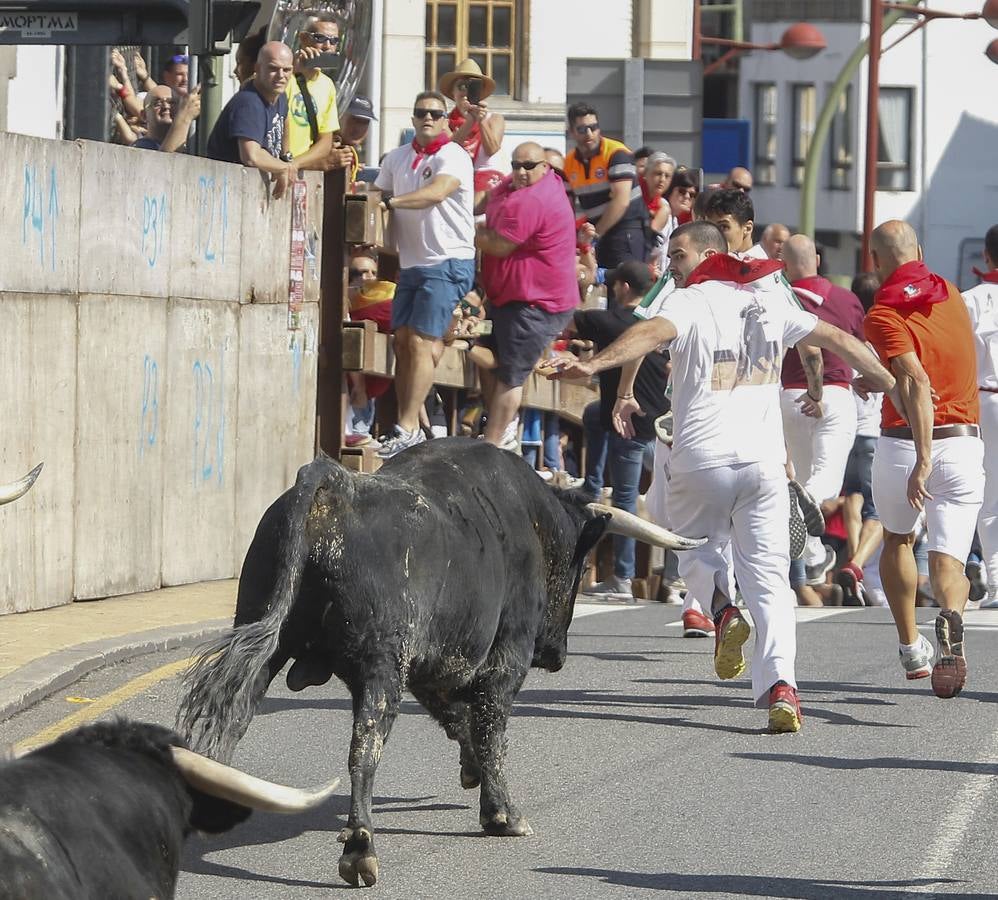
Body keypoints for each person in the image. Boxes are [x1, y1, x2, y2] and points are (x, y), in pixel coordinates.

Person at [548, 221, 896, 732]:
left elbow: (647, 333)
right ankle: (782, 686)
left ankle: (721, 606)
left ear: (711, 254)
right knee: (772, 581)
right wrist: (885, 381)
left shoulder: (691, 300)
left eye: (679, 255)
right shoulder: (769, 301)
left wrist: (594, 364)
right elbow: (839, 337)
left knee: (688, 544)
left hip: (701, 458)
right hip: (762, 466)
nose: (672, 266)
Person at [864, 220, 984, 698]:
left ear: (875, 261)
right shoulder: (952, 294)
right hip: (964, 442)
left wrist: (923, 457)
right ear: (921, 250)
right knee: (949, 561)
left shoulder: (881, 313)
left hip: (905, 444)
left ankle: (911, 644)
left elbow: (913, 378)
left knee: (897, 537)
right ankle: (951, 619)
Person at [373, 90, 475, 457]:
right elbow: (376, 193)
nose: (428, 118)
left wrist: (392, 202)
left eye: (435, 113)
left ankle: (408, 426)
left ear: (447, 120)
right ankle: (409, 426)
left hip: (448, 260)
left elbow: (437, 192)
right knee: (403, 341)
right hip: (413, 263)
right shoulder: (398, 157)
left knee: (419, 343)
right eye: (421, 113)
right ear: (413, 118)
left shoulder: (455, 156)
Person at [571, 260, 669, 600]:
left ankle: (623, 578)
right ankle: (676, 580)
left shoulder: (606, 320)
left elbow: (567, 319)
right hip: (663, 424)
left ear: (623, 288)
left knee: (625, 502)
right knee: (674, 503)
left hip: (631, 425)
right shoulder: (658, 325)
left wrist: (582, 282)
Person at [475, 142, 578, 450]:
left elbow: (499, 245)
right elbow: (487, 199)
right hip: (511, 298)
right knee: (489, 358)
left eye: (528, 166)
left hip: (536, 303)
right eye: (516, 165)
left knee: (511, 376)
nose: (520, 172)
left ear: (545, 167)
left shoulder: (535, 198)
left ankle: (492, 446)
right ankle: (499, 432)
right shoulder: (520, 182)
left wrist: (463, 233)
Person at [781, 235, 866, 588]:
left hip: (787, 398)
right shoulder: (846, 299)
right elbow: (861, 345)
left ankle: (815, 559)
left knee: (800, 479)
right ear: (817, 259)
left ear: (784, 265)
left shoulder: (776, 299)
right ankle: (801, 513)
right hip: (833, 392)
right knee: (825, 480)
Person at [837, 271, 885, 605]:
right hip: (873, 433)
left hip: (845, 433)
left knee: (853, 497)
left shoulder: (845, 339)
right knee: (878, 510)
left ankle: (853, 564)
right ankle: (856, 565)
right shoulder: (881, 339)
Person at [562, 102, 650, 268]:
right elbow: (567, 207)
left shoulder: (617, 153)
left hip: (626, 230)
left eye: (593, 127)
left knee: (625, 286)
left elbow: (621, 201)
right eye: (582, 129)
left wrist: (595, 236)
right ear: (572, 132)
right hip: (598, 234)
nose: (589, 134)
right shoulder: (569, 163)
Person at [206, 42, 297, 200]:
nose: (281, 75)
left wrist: (285, 157)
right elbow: (251, 155)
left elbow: (285, 121)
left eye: (287, 70)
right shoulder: (249, 102)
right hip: (224, 193)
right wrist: (284, 168)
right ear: (257, 68)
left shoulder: (280, 96)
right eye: (273, 68)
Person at [963, 225, 998, 607]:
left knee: (990, 497)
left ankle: (997, 581)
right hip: (985, 397)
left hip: (984, 400)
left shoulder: (969, 299)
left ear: (986, 256)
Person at [439, 59, 507, 196]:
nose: (465, 92)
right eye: (461, 86)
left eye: (472, 87)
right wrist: (469, 121)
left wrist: (481, 121)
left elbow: (492, 149)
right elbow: (450, 151)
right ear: (453, 92)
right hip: (456, 185)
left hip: (487, 191)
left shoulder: (494, 119)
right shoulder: (444, 122)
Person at [284, 13, 342, 171]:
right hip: (272, 166)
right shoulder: (282, 73)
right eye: (320, 38)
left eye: (334, 41)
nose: (327, 46)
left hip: (302, 171)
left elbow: (325, 141)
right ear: (303, 38)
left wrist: (294, 164)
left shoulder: (327, 85)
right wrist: (293, 70)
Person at [132, 84, 201, 153]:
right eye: (158, 104)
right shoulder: (140, 147)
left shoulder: (193, 144)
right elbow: (164, 161)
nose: (166, 106)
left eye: (172, 102)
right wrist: (185, 117)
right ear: (144, 116)